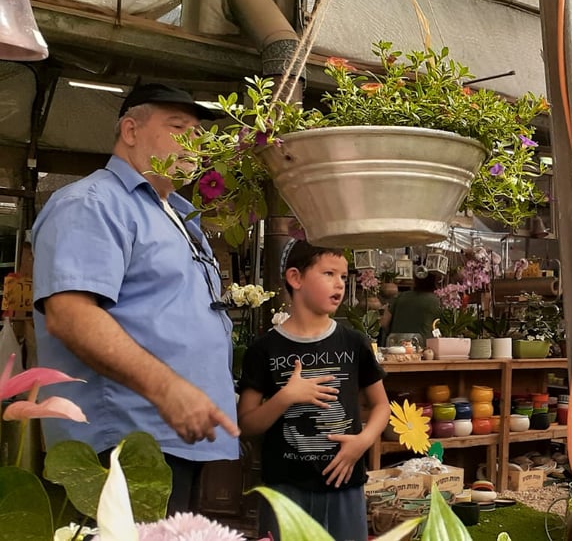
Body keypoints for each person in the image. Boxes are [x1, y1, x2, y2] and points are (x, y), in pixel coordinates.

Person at [32, 83, 239, 514]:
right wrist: (168, 389)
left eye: (199, 134)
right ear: (130, 131)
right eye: (178, 127)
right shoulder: (92, 202)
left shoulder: (177, 212)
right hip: (124, 438)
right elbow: (71, 315)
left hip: (174, 437)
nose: (193, 143)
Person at [238, 240, 388, 541]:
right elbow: (246, 423)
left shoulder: (354, 342)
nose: (339, 284)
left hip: (345, 483)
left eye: (344, 277)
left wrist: (363, 442)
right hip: (284, 489)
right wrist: (286, 397)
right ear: (295, 278)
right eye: (329, 274)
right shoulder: (265, 349)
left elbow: (381, 406)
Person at [381, 270, 442, 344]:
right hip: (425, 346)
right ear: (434, 281)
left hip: (397, 345)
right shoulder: (437, 301)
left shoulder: (400, 297)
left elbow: (384, 323)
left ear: (415, 280)